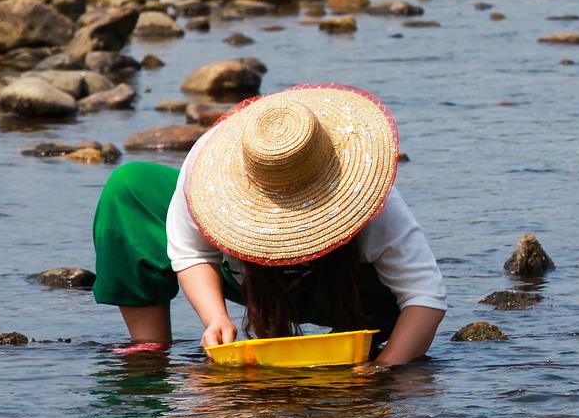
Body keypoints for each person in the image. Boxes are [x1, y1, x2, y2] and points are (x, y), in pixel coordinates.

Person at [91, 83, 446, 364]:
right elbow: (190, 252)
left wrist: (385, 369)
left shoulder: (371, 197)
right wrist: (215, 318)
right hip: (245, 274)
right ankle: (148, 347)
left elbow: (424, 297)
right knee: (130, 186)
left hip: (343, 287)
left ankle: (355, 340)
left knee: (390, 319)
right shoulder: (205, 174)